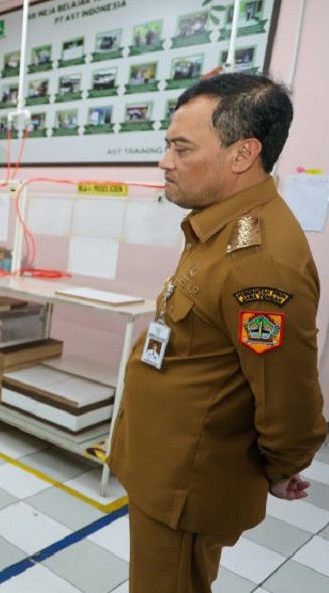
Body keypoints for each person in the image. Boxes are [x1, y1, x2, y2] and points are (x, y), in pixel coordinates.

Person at [108, 73, 327, 593]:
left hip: (188, 484)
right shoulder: (218, 226)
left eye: (181, 148)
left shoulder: (260, 262)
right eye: (167, 145)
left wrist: (284, 465)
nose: (165, 161)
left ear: (242, 154)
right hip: (164, 462)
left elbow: (287, 394)